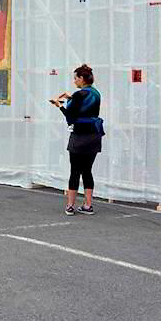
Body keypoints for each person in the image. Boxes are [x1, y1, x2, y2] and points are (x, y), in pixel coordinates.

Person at [50, 64, 102, 216]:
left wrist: (59, 105)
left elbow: (70, 117)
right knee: (87, 171)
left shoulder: (79, 95)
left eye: (75, 78)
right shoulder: (96, 93)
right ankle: (88, 205)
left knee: (74, 171)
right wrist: (70, 98)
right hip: (94, 136)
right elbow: (85, 107)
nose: (74, 81)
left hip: (79, 136)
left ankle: (70, 206)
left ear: (81, 78)